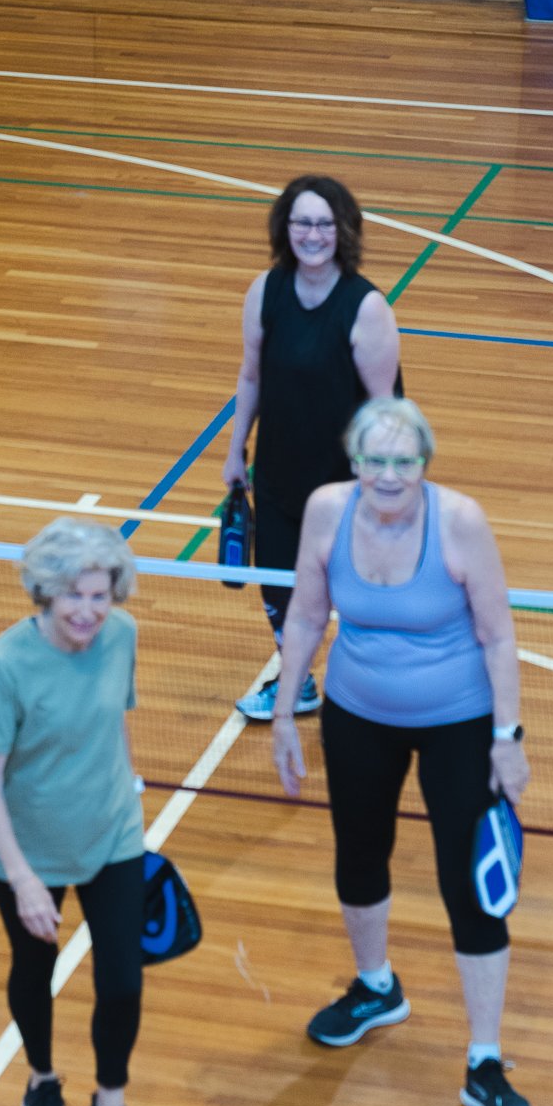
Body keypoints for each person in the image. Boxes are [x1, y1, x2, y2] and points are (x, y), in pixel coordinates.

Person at [270, 398, 535, 1106]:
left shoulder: (460, 522)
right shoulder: (328, 511)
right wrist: (286, 712)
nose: (389, 475)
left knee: (469, 887)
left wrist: (507, 736)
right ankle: (376, 986)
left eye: (404, 461)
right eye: (375, 460)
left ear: (425, 463)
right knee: (359, 856)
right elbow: (305, 614)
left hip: (460, 721)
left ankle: (485, 1062)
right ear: (355, 461)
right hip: (357, 713)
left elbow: (499, 636)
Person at [0, 518, 173, 1106]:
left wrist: (130, 795)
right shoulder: (4, 665)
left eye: (100, 595)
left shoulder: (123, 635)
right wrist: (23, 878)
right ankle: (41, 1081)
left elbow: (116, 718)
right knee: (35, 968)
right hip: (27, 850)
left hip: (112, 834)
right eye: (73, 596)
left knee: (123, 979)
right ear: (45, 592)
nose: (88, 610)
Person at [222, 174, 401, 722]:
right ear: (286, 227)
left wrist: (383, 484)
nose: (313, 234)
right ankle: (296, 681)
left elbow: (386, 410)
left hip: (344, 484)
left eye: (325, 223)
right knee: (279, 588)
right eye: (302, 222)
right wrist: (236, 452)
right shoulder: (266, 291)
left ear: (343, 231)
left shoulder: (365, 307)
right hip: (278, 472)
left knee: (354, 592)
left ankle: (376, 689)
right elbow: (251, 376)